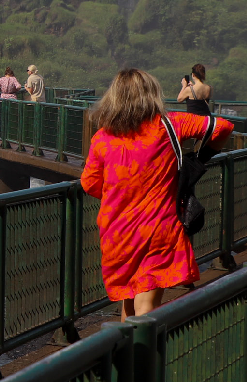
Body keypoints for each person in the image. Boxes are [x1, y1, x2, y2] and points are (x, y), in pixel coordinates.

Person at [80, 68, 232, 320]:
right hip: (158, 229)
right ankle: (141, 356)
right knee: (146, 303)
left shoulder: (103, 138)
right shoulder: (170, 124)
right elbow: (222, 127)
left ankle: (126, 354)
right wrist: (198, 158)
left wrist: (122, 194)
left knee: (128, 302)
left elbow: (90, 184)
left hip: (117, 232)